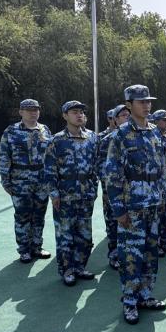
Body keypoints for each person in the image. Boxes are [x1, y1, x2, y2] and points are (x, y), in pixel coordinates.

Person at [105, 85, 166, 325]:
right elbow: (112, 174)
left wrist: (162, 197)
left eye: (148, 101)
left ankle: (145, 294)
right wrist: (119, 209)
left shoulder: (154, 131)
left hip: (153, 204)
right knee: (131, 256)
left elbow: (162, 167)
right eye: (141, 102)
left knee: (151, 253)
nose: (147, 105)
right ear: (129, 105)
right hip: (132, 207)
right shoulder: (121, 135)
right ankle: (130, 300)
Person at [44, 101, 99, 286]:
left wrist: (94, 188)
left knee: (85, 235)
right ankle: (67, 270)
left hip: (86, 195)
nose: (79, 115)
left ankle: (80, 267)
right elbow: (49, 170)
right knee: (65, 236)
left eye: (81, 112)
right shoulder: (56, 141)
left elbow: (96, 166)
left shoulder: (92, 137)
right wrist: (54, 194)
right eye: (74, 112)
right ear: (65, 116)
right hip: (65, 196)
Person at [0, 99, 52, 263]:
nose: (33, 113)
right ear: (21, 112)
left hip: (42, 180)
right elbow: (4, 157)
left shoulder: (45, 130)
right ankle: (24, 250)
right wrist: (5, 180)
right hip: (20, 180)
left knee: (39, 216)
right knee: (22, 216)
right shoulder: (11, 131)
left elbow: (50, 155)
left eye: (36, 110)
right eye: (29, 110)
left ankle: (37, 246)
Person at [97, 104, 130, 270]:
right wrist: (111, 186)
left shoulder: (135, 137)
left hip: (132, 192)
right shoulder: (107, 140)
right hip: (113, 191)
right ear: (115, 120)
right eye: (123, 115)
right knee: (113, 223)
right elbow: (101, 167)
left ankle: (129, 255)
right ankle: (114, 255)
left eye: (128, 115)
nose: (127, 118)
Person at [150, 109, 166, 257]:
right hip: (156, 184)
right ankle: (156, 243)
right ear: (156, 121)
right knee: (156, 217)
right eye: (164, 120)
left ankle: (163, 241)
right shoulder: (151, 137)